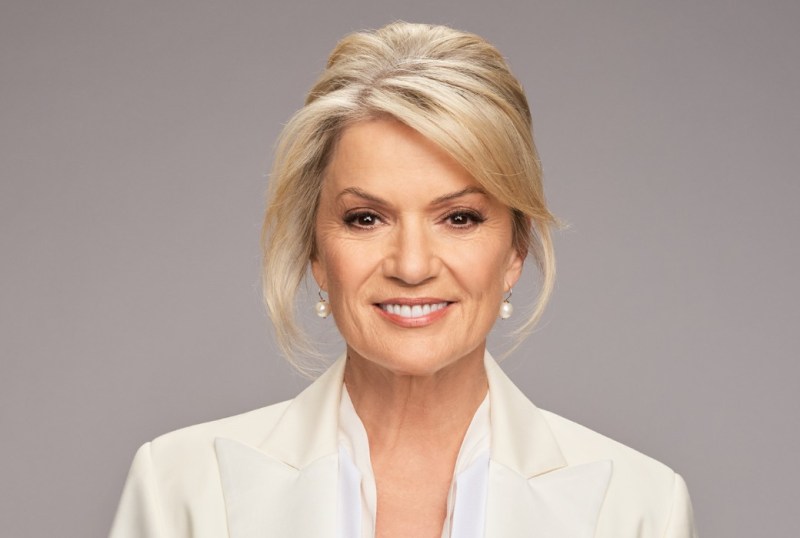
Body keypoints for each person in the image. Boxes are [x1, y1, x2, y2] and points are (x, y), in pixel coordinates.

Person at [110, 22, 698, 538]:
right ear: (316, 253)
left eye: (459, 218)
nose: (412, 266)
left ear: (515, 250)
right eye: (366, 218)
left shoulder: (641, 507)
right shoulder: (179, 489)